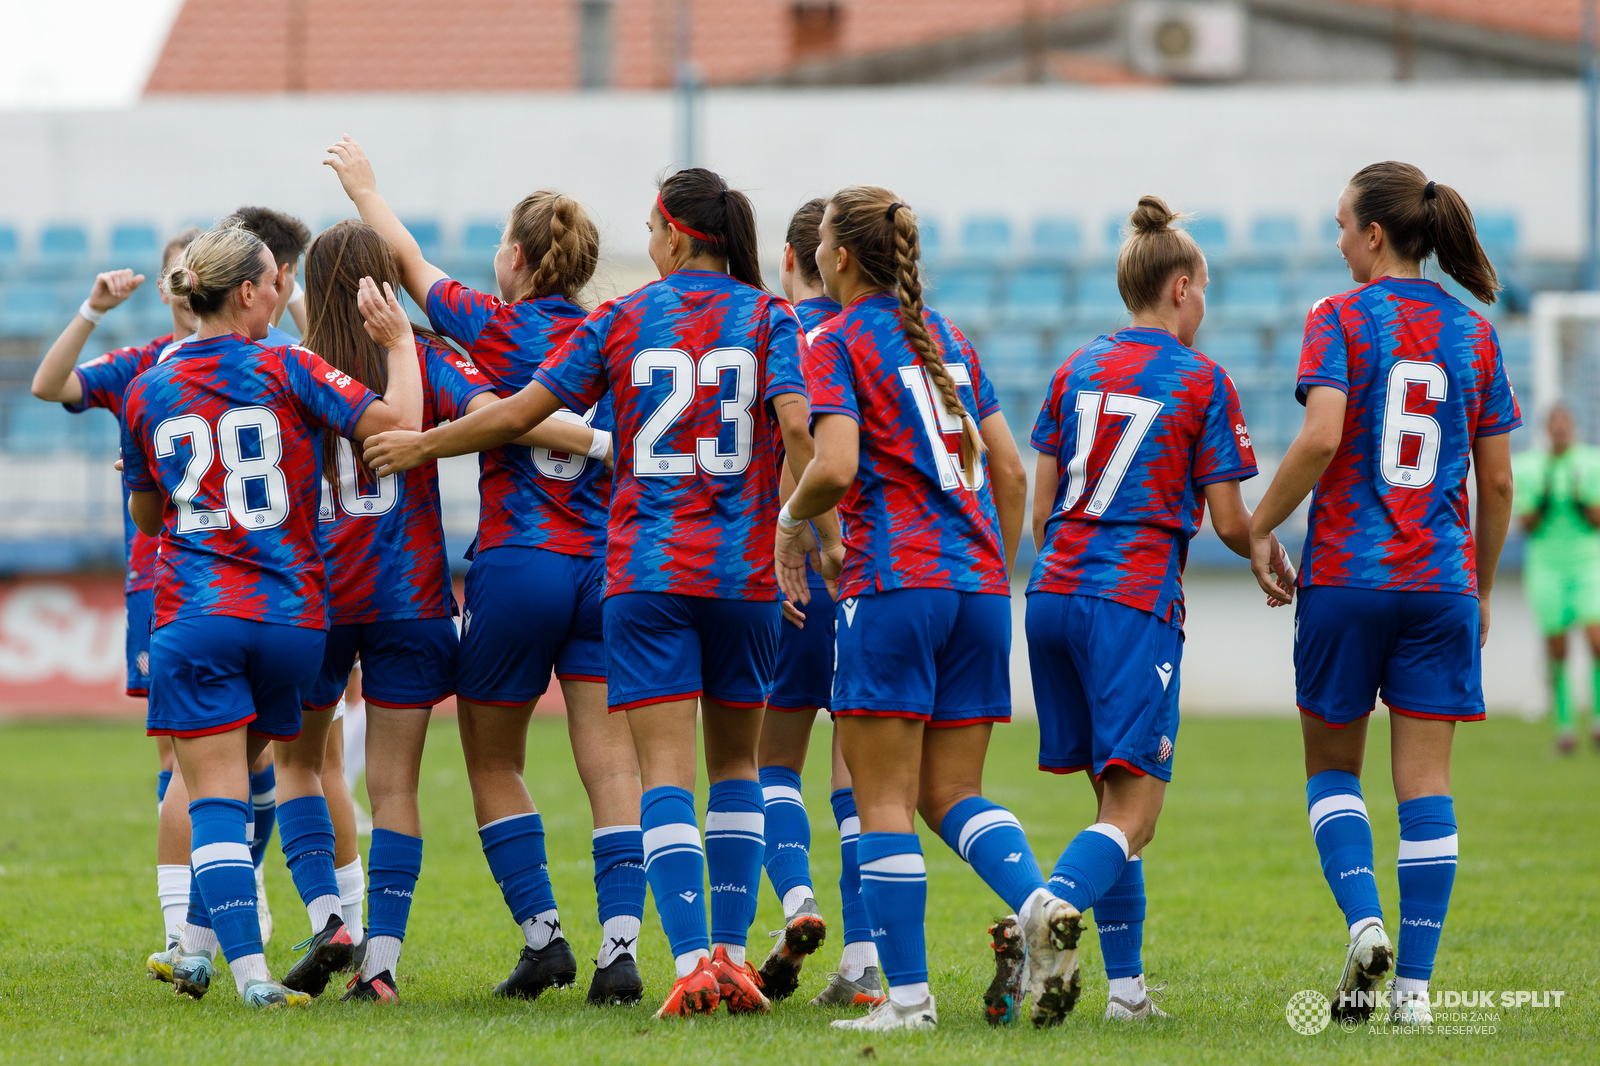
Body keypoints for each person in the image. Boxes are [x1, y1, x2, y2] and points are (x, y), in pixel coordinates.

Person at [365, 166, 826, 1019]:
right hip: (742, 576)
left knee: (663, 773)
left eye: (650, 230)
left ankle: (689, 962)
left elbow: (516, 414)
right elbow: (801, 433)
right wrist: (801, 535)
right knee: (735, 767)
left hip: (645, 574)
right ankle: (731, 959)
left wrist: (424, 446)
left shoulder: (623, 318)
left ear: (674, 234)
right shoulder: (774, 316)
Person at [326, 136, 646, 1006]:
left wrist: (364, 189)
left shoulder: (490, 322)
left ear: (514, 255)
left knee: (493, 760)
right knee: (612, 768)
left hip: (519, 565)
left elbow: (407, 259)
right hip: (605, 571)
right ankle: (621, 951)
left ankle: (544, 939)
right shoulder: (618, 330)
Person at [773, 185, 1077, 1032]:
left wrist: (789, 525)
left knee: (884, 803)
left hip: (894, 585)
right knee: (954, 792)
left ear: (836, 256)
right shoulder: (946, 337)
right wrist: (988, 563)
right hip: (978, 591)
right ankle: (1039, 903)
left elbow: (833, 466)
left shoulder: (834, 338)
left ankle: (906, 1000)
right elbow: (1011, 473)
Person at [122, 223, 423, 1007]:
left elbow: (149, 518)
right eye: (275, 282)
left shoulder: (148, 385)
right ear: (249, 293)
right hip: (292, 617)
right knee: (255, 781)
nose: (285, 291)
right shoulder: (289, 364)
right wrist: (397, 345)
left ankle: (249, 977)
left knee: (217, 794)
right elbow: (393, 423)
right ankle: (192, 948)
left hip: (197, 611)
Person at [1246, 162, 1518, 1027]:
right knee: (1426, 787)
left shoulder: (1337, 318)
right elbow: (1501, 484)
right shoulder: (1475, 334)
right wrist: (1475, 589)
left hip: (1348, 578)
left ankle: (1366, 924)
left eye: (1340, 225)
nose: (1335, 241)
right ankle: (1416, 994)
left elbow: (1321, 437)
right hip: (1439, 583)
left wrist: (1259, 526)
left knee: (1333, 773)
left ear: (1372, 235)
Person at [1025, 196, 1291, 1023]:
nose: (1205, 307)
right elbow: (1225, 517)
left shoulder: (1074, 367)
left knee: (1109, 805)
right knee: (1137, 815)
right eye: (1204, 291)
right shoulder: (1200, 378)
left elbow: (1038, 511)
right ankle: (1046, 910)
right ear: (1181, 288)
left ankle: (1128, 993)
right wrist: (1266, 543)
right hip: (1130, 603)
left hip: (1052, 597)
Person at [297, 220, 499, 1001]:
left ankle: (327, 919)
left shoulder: (292, 366)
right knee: (395, 789)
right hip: (409, 596)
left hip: (315, 595)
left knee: (299, 765)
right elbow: (499, 415)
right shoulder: (427, 358)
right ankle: (380, 963)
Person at [29, 229, 200, 955]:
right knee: (173, 753)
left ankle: (227, 907)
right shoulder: (140, 367)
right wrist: (92, 310)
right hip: (161, 581)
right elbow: (49, 384)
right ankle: (182, 928)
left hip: (240, 580)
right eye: (178, 274)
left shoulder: (258, 360)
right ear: (164, 288)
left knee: (257, 755)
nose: (189, 285)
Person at [752, 197, 878, 1007]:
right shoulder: (882, 338)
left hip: (796, 566)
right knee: (859, 776)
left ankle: (797, 901)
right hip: (876, 576)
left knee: (768, 761)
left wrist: (807, 530)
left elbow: (800, 438)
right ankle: (864, 959)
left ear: (795, 260)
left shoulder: (786, 334)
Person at [1512, 405, 1600, 752]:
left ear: (1573, 428)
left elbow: (1596, 519)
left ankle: (1596, 721)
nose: (1561, 431)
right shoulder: (1531, 466)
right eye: (1555, 426)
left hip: (1586, 562)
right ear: (1548, 429)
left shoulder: (1591, 462)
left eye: (1566, 425)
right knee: (1557, 647)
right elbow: (1528, 523)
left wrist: (1580, 499)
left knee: (1596, 640)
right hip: (1547, 565)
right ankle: (1564, 727)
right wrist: (1547, 495)